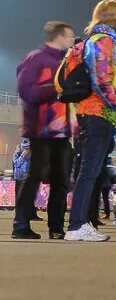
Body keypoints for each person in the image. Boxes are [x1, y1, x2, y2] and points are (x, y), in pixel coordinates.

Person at [65, 0, 116, 242]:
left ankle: (81, 223)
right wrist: (115, 103)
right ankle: (77, 225)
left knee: (89, 171)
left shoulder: (93, 40)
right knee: (89, 171)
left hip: (90, 112)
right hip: (98, 113)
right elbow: (103, 79)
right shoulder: (103, 41)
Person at [12, 21, 77, 240]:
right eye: (69, 36)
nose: (71, 40)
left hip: (62, 131)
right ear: (59, 36)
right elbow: (26, 91)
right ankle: (20, 225)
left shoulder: (65, 62)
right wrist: (57, 87)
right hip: (41, 129)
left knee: (61, 179)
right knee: (35, 176)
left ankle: (56, 228)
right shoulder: (36, 58)